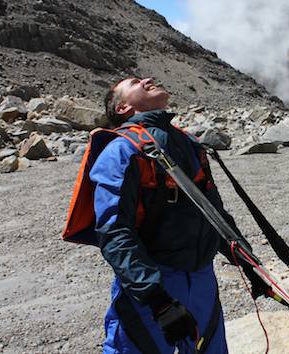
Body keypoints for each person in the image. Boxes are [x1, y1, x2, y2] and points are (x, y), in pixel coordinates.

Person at [91, 77, 274, 353]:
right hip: (154, 285)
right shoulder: (121, 151)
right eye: (134, 82)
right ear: (122, 108)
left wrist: (248, 263)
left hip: (201, 279)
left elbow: (214, 214)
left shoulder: (187, 143)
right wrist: (157, 300)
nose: (148, 79)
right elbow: (114, 232)